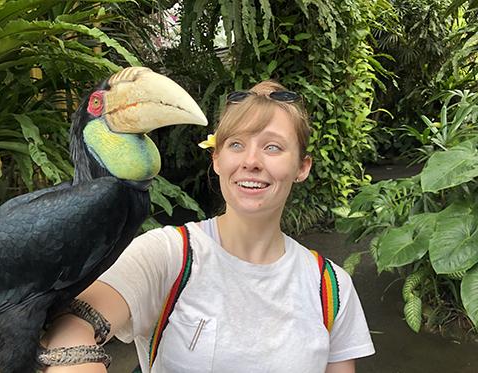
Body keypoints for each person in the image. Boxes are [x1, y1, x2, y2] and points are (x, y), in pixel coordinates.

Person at [42, 80, 375, 373]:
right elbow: (71, 324)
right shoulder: (168, 254)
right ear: (216, 158)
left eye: (272, 147)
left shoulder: (331, 288)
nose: (251, 161)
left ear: (302, 167)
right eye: (236, 144)